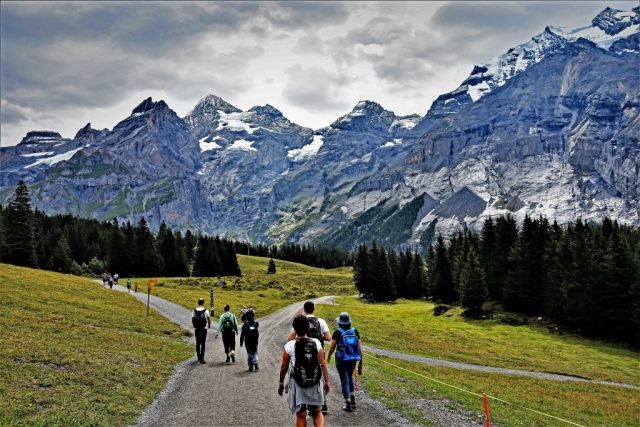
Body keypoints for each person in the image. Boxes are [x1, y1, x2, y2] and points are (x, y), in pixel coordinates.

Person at [278, 315, 330, 427]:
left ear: (294, 329)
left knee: (301, 415)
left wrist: (281, 383)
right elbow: (323, 364)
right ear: (308, 328)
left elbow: (284, 367)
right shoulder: (316, 342)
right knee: (317, 412)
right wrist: (327, 382)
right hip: (315, 384)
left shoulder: (289, 345)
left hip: (298, 384)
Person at [287, 301, 332, 414]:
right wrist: (318, 337)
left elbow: (290, 337)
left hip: (302, 353)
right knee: (318, 375)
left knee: (303, 374)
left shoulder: (301, 321)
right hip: (318, 351)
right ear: (313, 309)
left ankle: (304, 403)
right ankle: (322, 403)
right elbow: (328, 337)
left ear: (304, 309)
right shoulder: (320, 321)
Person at [326, 312, 363, 412]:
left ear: (340, 323)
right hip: (353, 358)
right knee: (350, 376)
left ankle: (348, 403)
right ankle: (353, 399)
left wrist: (329, 356)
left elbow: (332, 347)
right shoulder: (354, 331)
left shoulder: (338, 332)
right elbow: (359, 347)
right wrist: (361, 360)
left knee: (344, 380)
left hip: (341, 359)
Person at [191, 298, 211, 364]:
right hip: (203, 329)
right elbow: (209, 320)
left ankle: (198, 357)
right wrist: (209, 326)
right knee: (203, 344)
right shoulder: (206, 311)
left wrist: (194, 326)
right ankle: (202, 359)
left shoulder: (194, 310)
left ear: (198, 302)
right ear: (203, 303)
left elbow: (192, 319)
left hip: (197, 329)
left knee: (197, 343)